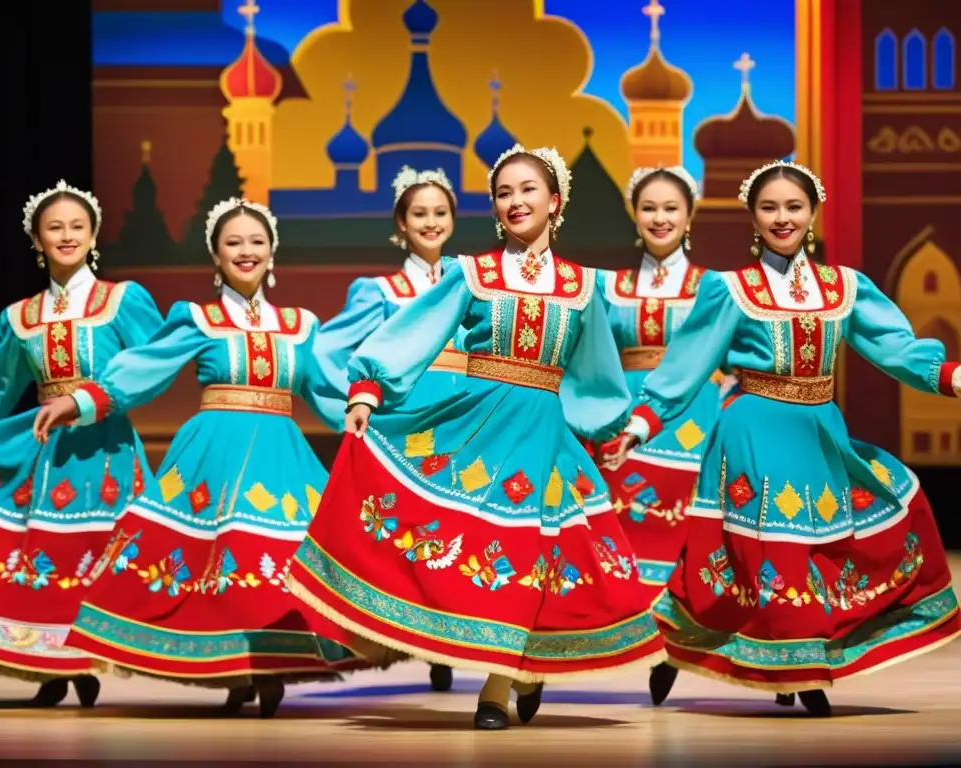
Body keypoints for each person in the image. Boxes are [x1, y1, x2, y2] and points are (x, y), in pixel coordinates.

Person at [287, 144, 664, 730]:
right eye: (503, 193)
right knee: (484, 549)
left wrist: (611, 429)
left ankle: (500, 684)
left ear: (555, 201)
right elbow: (415, 332)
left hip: (544, 432)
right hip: (479, 423)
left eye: (527, 190)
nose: (515, 201)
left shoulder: (584, 286)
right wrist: (366, 391)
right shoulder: (472, 274)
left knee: (534, 555)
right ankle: (500, 675)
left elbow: (596, 376)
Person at [614, 160, 960, 716]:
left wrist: (949, 376)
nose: (782, 218)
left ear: (813, 212)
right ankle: (800, 673)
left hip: (818, 427)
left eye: (794, 206)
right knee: (774, 550)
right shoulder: (731, 289)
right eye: (769, 207)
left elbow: (895, 346)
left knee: (864, 519)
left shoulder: (843, 287)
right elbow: (687, 364)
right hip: (752, 426)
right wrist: (642, 423)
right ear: (753, 217)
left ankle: (748, 652)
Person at [32, 198, 367, 717]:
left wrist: (370, 422)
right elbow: (142, 369)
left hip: (281, 454)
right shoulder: (196, 318)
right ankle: (233, 665)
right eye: (232, 243)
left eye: (256, 242)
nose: (246, 251)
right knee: (214, 560)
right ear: (215, 256)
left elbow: (326, 391)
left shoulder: (301, 325)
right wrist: (80, 401)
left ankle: (270, 663)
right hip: (212, 452)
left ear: (273, 253)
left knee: (279, 561)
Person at [0, 180, 163, 707]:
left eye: (77, 227)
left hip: (105, 447)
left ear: (94, 235)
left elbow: (152, 365)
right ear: (37, 240)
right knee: (47, 559)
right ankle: (55, 666)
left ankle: (89, 657)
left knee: (95, 554)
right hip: (44, 450)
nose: (67, 236)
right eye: (54, 228)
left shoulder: (123, 300)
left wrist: (93, 399)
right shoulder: (20, 317)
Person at [313, 165, 467, 692]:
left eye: (440, 213)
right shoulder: (379, 290)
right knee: (411, 532)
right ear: (400, 224)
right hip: (405, 421)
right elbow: (328, 350)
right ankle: (416, 634)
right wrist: (359, 400)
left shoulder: (469, 279)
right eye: (419, 214)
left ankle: (449, 634)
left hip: (464, 419)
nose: (430, 222)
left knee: (460, 528)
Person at [596, 167, 722, 595]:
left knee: (684, 527)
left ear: (689, 215)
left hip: (695, 417)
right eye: (648, 208)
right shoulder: (609, 286)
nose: (659, 217)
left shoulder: (714, 288)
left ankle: (672, 646)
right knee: (618, 526)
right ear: (635, 215)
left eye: (671, 208)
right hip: (624, 415)